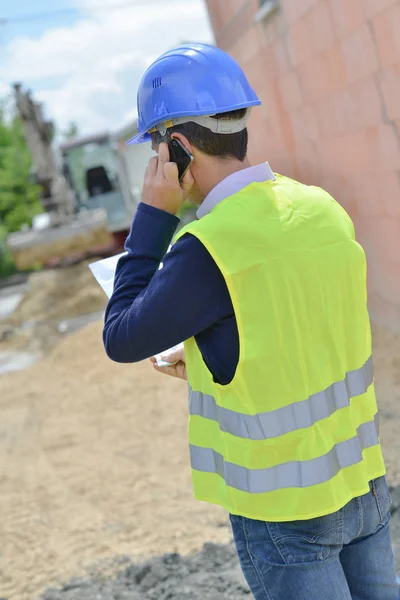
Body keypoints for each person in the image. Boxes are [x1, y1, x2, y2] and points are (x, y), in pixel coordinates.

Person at [102, 43, 399, 600]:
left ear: (177, 147)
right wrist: (213, 354)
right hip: (361, 482)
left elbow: (120, 336)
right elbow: (300, 324)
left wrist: (153, 217)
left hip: (286, 512)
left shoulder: (207, 247)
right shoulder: (320, 207)